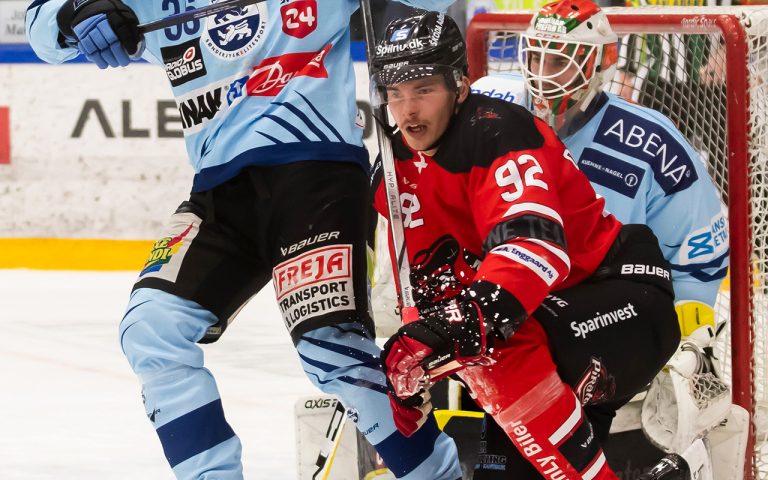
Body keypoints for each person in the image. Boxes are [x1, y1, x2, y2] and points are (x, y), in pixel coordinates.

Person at [25, 1, 465, 479]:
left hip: (316, 174)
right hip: (219, 192)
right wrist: (77, 13)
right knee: (151, 329)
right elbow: (42, 30)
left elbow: (429, 8)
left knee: (329, 347)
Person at [369, 11, 680, 480]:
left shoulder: (497, 132)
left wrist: (438, 337)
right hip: (548, 324)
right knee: (503, 472)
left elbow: (535, 251)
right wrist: (412, 362)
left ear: (460, 85)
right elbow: (435, 284)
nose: (408, 110)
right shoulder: (396, 171)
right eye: (396, 94)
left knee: (490, 342)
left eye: (423, 90)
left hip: (623, 299)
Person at [467, 0, 731, 477]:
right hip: (511, 308)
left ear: (601, 62)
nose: (546, 74)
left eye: (561, 58)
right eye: (538, 57)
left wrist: (693, 341)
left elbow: (698, 254)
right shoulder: (489, 108)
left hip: (600, 317)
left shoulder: (652, 142)